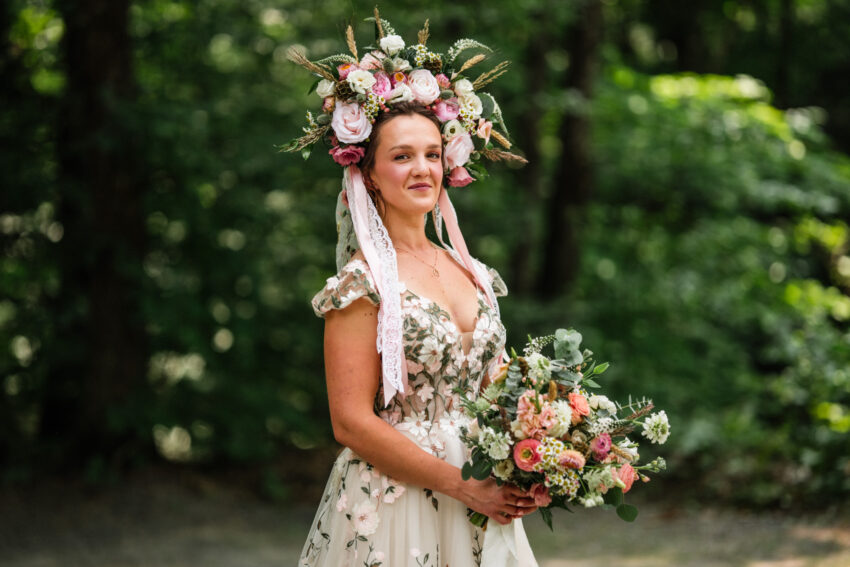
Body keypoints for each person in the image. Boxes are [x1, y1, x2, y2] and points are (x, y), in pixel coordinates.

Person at [287, 14, 537, 566]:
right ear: (369, 173)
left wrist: (541, 455)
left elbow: (496, 392)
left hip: (484, 490)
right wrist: (462, 486)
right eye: (402, 156)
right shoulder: (362, 283)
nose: (422, 168)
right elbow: (350, 421)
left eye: (431, 152)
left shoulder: (472, 270)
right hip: (398, 504)